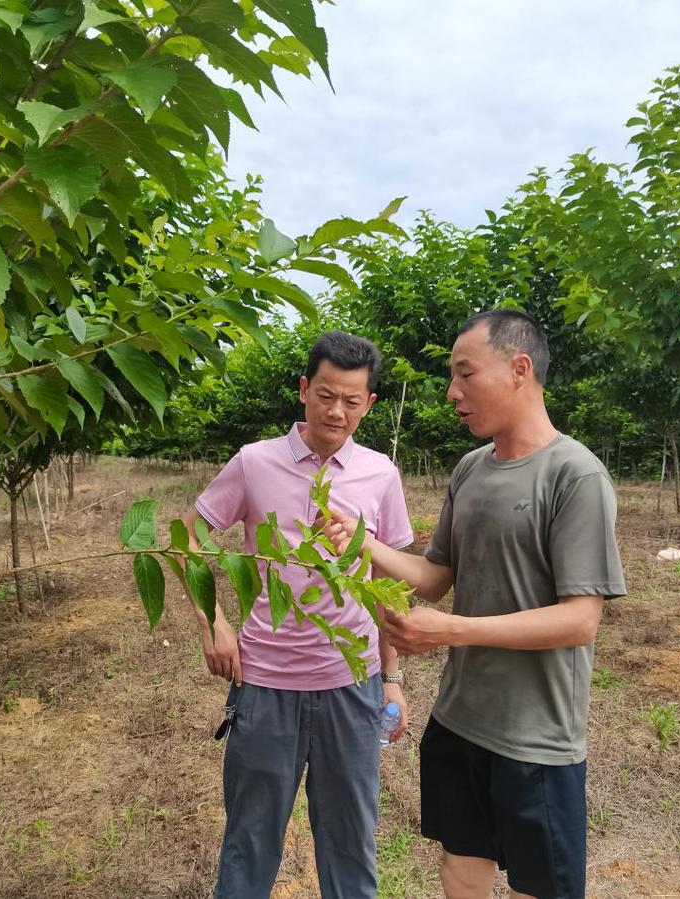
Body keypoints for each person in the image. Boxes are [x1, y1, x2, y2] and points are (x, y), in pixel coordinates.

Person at [326, 311, 626, 899]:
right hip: (461, 718)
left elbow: (579, 619)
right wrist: (363, 541)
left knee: (540, 885)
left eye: (465, 374)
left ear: (519, 370)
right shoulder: (470, 469)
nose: (452, 392)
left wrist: (450, 632)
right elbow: (435, 577)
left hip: (535, 734)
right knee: (461, 864)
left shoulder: (575, 475)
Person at [183, 331, 415, 899]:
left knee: (351, 846)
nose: (337, 412)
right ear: (305, 390)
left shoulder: (380, 474)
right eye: (327, 395)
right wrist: (213, 621)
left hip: (353, 687)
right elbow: (188, 537)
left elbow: (385, 582)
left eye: (353, 401)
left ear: (370, 405)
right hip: (265, 685)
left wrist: (393, 679)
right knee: (250, 842)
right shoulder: (255, 463)